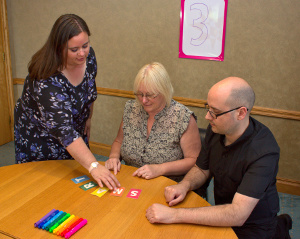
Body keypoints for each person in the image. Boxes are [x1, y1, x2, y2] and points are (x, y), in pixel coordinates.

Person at [146, 77, 292, 238]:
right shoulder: (217, 129)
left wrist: (174, 215)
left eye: (215, 112)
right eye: (208, 108)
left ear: (241, 113)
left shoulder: (264, 152)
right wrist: (185, 185)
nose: (208, 117)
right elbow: (202, 169)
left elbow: (238, 214)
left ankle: (280, 227)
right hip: (222, 211)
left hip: (252, 225)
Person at [14, 14, 120, 191]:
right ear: (59, 48)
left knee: (74, 180)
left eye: (85, 46)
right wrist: (94, 166)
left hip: (71, 128)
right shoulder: (45, 80)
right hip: (40, 135)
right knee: (44, 185)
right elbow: (65, 133)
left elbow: (89, 90)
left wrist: (88, 118)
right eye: (74, 49)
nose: (82, 53)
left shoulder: (89, 56)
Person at [105, 62, 200, 182]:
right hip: (130, 178)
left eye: (150, 95)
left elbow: (193, 160)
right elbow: (119, 141)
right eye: (140, 94)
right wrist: (114, 157)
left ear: (164, 91)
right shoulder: (131, 109)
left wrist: (160, 169)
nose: (144, 100)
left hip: (166, 184)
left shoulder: (182, 117)